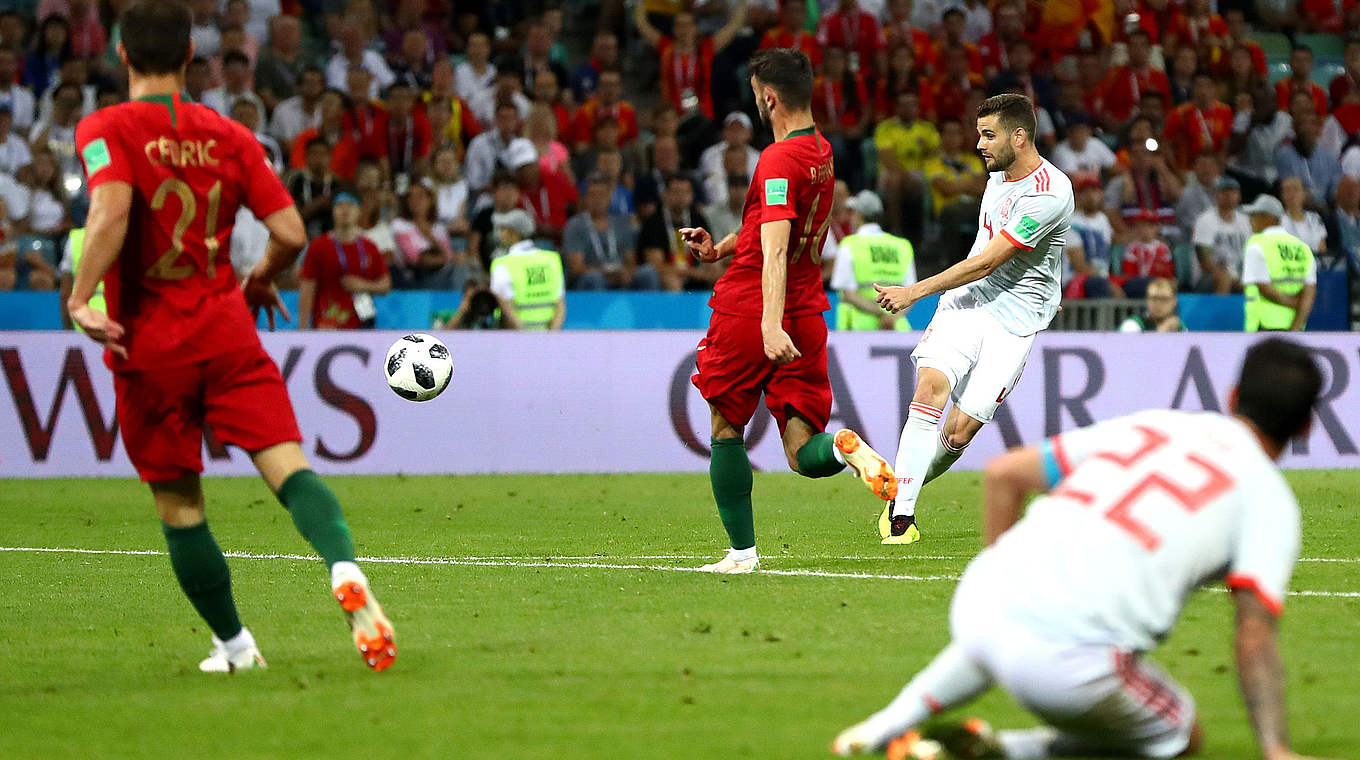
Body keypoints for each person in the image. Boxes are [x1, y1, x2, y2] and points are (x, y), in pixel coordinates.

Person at [68, 2, 395, 674]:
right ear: (192, 56)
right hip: (226, 331)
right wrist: (259, 278)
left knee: (180, 502)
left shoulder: (106, 127)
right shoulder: (229, 134)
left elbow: (112, 208)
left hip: (149, 347)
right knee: (289, 466)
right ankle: (341, 566)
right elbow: (293, 235)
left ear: (122, 57)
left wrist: (80, 296)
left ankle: (236, 646)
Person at [834, 338, 1330, 760]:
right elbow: (1253, 633)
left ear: (1233, 395)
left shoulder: (1159, 424)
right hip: (1072, 665)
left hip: (981, 601)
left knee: (1005, 633)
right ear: (1306, 426)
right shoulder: (1268, 500)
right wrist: (1275, 749)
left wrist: (1006, 579)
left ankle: (884, 726)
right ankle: (1008, 749)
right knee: (1183, 734)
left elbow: (1005, 474)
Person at [679, 48, 895, 575]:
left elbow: (774, 247)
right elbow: (768, 228)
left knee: (726, 425)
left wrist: (767, 324)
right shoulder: (820, 151)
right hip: (806, 308)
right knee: (803, 452)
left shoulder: (776, 159)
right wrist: (719, 249)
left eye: (756, 97)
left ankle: (741, 553)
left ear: (769, 98)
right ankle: (844, 450)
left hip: (756, 308)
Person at [873, 93, 1074, 545]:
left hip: (1014, 323)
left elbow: (989, 260)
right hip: (966, 304)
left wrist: (914, 292)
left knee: (960, 432)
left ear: (1018, 137)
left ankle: (899, 488)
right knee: (931, 387)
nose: (979, 144)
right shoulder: (996, 175)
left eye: (988, 135)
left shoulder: (1051, 192)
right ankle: (902, 518)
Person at [299, 192, 391, 329]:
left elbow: (385, 284)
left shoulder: (369, 247)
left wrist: (364, 286)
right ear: (333, 212)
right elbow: (307, 287)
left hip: (362, 322)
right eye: (340, 205)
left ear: (359, 211)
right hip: (328, 323)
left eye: (350, 205)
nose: (345, 210)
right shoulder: (319, 246)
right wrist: (303, 327)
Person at [832, 190, 915, 331]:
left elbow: (847, 294)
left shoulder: (849, 244)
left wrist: (879, 313)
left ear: (858, 215)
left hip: (857, 329)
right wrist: (890, 316)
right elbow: (911, 294)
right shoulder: (902, 246)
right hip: (896, 328)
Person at [562, 174, 655, 290]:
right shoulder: (575, 225)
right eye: (593, 195)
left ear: (609, 197)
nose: (597, 200)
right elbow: (576, 268)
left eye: (601, 195)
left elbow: (630, 259)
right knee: (595, 278)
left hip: (619, 274)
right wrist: (607, 273)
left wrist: (626, 272)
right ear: (585, 199)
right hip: (590, 279)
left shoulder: (621, 223)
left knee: (647, 272)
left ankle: (646, 308)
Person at [1242, 194, 1316, 332]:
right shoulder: (1303, 248)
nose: (1250, 220)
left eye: (1254, 215)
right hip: (1295, 327)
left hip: (1263, 325)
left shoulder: (1257, 244)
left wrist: (1293, 303)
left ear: (1268, 217)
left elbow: (1263, 288)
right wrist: (1295, 328)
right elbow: (1309, 294)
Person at [488, 208, 564, 331]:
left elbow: (506, 308)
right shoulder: (552, 260)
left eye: (503, 229)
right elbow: (560, 306)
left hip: (515, 340)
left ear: (513, 233)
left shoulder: (501, 265)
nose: (500, 234)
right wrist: (551, 337)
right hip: (548, 340)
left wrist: (526, 338)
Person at [1191, 175, 1250, 293]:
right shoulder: (1205, 220)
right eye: (1224, 192)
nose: (1228, 196)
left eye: (1233, 192)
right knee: (1224, 277)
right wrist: (1234, 279)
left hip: (1238, 273)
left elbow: (1251, 253)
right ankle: (1221, 311)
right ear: (1216, 195)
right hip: (1207, 277)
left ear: (1239, 196)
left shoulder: (1245, 221)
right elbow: (1204, 262)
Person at [1119, 276, 1187, 332]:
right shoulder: (1132, 325)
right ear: (1147, 300)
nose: (1158, 303)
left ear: (1174, 301)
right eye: (1154, 298)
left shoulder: (1180, 327)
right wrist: (1161, 332)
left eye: (1164, 299)